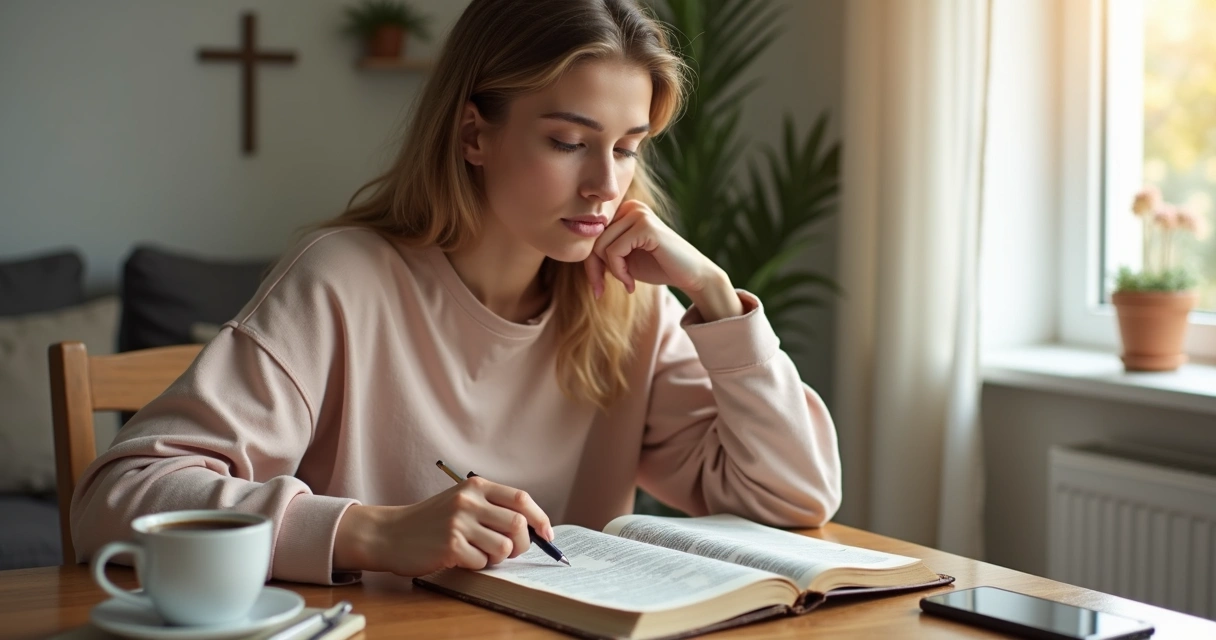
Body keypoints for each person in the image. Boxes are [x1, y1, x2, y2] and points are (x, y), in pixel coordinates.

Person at [71, 0, 841, 586]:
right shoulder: (343, 279)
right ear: (474, 134)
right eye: (568, 142)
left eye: (627, 148)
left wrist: (713, 294)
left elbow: (796, 497)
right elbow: (118, 498)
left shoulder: (628, 302)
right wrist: (373, 533)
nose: (606, 185)